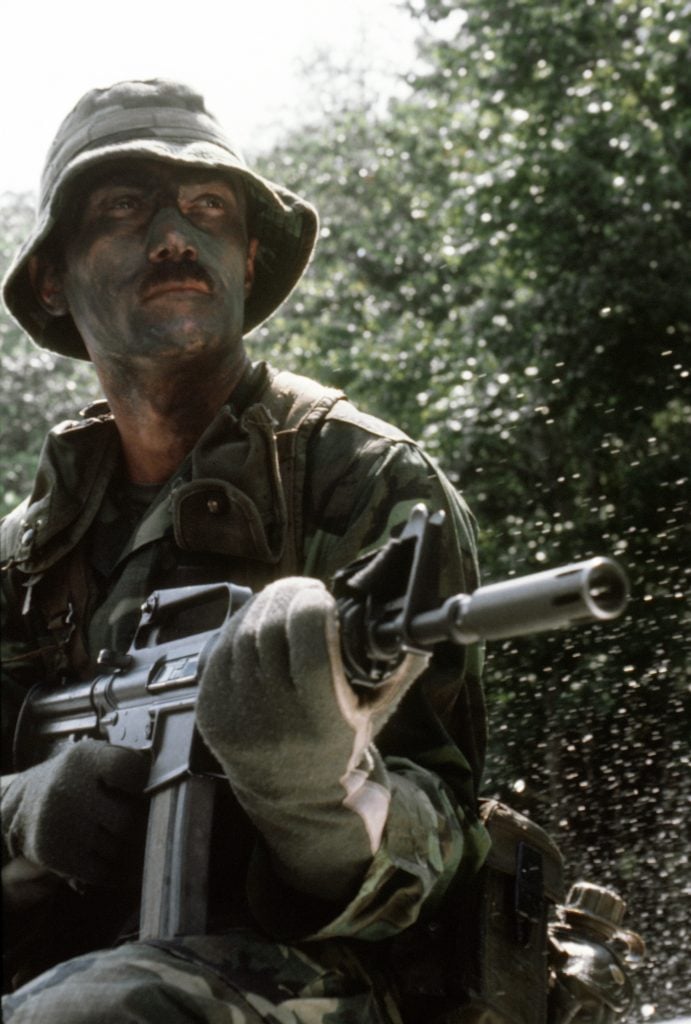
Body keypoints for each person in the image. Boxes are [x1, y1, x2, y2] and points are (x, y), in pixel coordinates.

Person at [0, 79, 489, 1023]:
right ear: (55, 277)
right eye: (123, 208)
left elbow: (451, 835)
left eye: (209, 207)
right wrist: (23, 809)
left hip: (334, 973)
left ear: (248, 252)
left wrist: (317, 796)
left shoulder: (365, 479)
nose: (175, 235)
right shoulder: (28, 551)